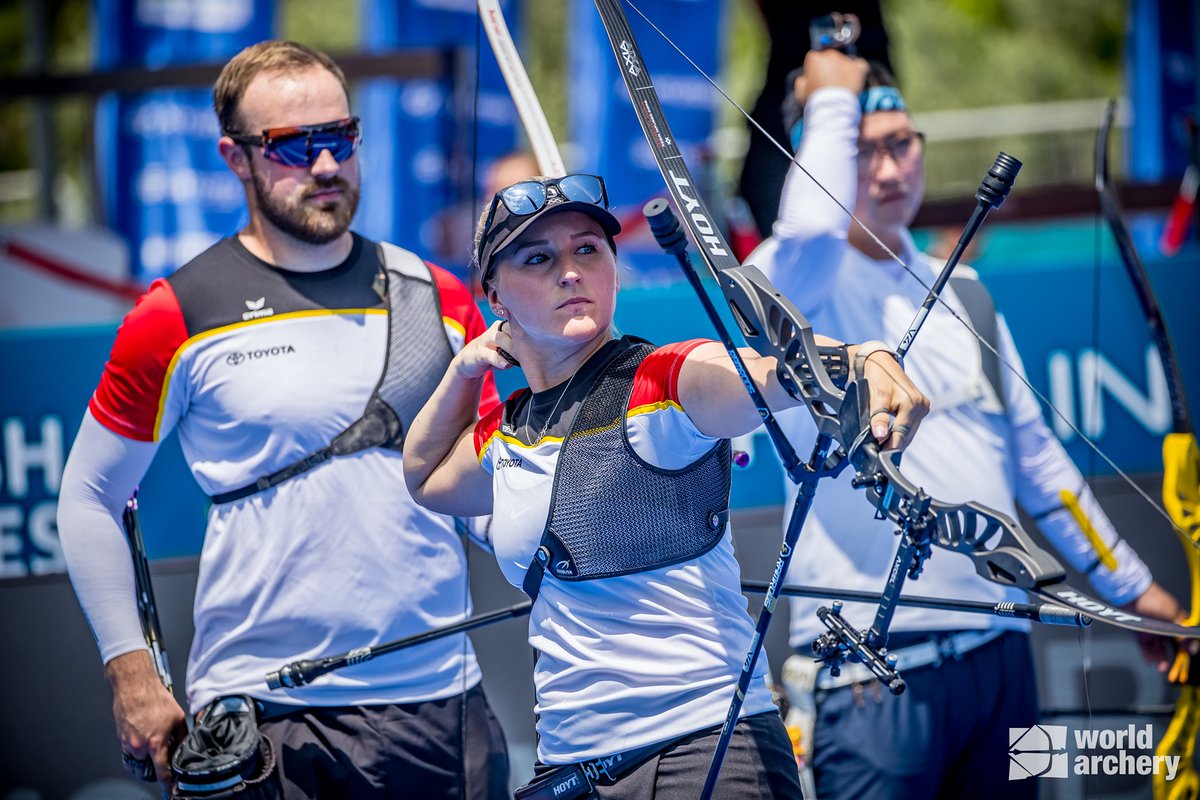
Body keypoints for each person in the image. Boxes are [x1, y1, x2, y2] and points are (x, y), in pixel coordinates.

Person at [57, 40, 510, 799]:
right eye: (294, 146)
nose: (326, 165)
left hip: (439, 703)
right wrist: (131, 672)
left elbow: (493, 488)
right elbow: (87, 498)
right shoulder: (176, 313)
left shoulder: (438, 295)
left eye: (340, 137)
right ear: (236, 158)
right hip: (261, 716)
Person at [401, 172, 930, 798]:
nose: (569, 271)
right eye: (538, 258)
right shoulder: (509, 431)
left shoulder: (662, 381)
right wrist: (465, 369)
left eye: (587, 250)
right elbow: (425, 476)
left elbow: (756, 376)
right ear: (497, 298)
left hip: (707, 754)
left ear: (612, 269)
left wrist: (857, 360)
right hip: (573, 767)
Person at [749, 48, 1184, 799]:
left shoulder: (971, 294)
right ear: (819, 157)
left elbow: (1042, 472)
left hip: (1007, 666)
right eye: (860, 152)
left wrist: (1136, 591)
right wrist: (827, 100)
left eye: (901, 145)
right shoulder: (796, 280)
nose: (888, 172)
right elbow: (811, 235)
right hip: (870, 680)